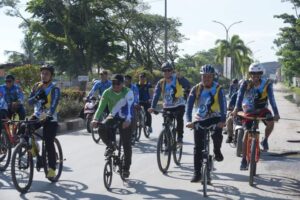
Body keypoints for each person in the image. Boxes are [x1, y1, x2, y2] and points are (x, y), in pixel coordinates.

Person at [232, 63, 280, 170]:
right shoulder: (245, 83)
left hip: (262, 109)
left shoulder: (267, 84)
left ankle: (265, 139)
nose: (255, 76)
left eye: (257, 73)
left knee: (271, 121)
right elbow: (239, 96)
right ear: (250, 74)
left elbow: (272, 99)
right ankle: (244, 159)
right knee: (246, 132)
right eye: (253, 73)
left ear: (261, 74)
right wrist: (236, 108)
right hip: (248, 109)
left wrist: (276, 113)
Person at [186, 64, 226, 182]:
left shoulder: (218, 88)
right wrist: (189, 121)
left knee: (217, 133)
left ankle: (217, 151)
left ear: (213, 77)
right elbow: (188, 106)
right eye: (204, 76)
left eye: (209, 76)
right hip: (200, 119)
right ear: (201, 77)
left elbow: (223, 105)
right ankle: (197, 173)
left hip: (215, 117)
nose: (206, 79)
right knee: (198, 147)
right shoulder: (196, 89)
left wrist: (223, 121)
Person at [92, 74, 134, 178]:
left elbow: (130, 108)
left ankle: (126, 168)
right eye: (113, 83)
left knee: (126, 143)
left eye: (118, 83)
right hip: (113, 116)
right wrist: (95, 119)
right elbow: (101, 107)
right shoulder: (107, 92)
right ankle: (111, 145)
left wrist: (128, 120)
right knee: (101, 128)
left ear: (122, 84)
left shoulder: (128, 92)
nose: (115, 86)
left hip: (126, 117)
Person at [28, 64, 61, 178]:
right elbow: (29, 102)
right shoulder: (36, 86)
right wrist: (37, 96)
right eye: (42, 73)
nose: (44, 75)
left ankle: (52, 168)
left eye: (47, 73)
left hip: (51, 118)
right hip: (38, 115)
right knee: (24, 127)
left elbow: (54, 104)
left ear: (51, 76)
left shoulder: (54, 88)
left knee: (48, 141)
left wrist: (48, 115)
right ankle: (34, 147)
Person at [148, 62, 190, 145]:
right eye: (164, 70)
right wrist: (152, 107)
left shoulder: (177, 79)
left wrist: (182, 78)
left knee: (179, 119)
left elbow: (187, 85)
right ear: (162, 72)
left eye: (169, 70)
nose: (167, 72)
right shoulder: (161, 82)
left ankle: (180, 137)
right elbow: (156, 95)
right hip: (167, 106)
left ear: (172, 71)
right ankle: (166, 143)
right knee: (166, 124)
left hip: (179, 105)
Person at [124, 74, 139, 141]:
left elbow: (136, 96)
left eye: (127, 80)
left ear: (130, 81)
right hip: (123, 105)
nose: (125, 81)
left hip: (132, 105)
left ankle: (133, 132)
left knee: (134, 117)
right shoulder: (122, 87)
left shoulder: (134, 88)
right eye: (124, 80)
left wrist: (135, 103)